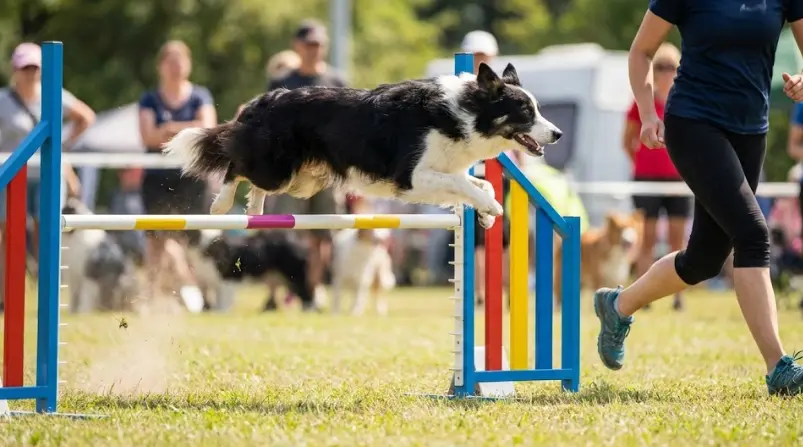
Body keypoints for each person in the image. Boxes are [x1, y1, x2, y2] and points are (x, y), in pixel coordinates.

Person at [594, 0, 803, 396]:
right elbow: (642, 50)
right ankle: (779, 367)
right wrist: (647, 112)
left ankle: (618, 306)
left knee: (704, 259)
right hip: (694, 123)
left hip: (751, 129)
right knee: (752, 234)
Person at [0, 42, 95, 302]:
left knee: (48, 233)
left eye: (34, 67)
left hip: (48, 175)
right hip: (12, 176)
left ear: (42, 70)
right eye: (25, 67)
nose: (30, 73)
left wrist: (61, 147)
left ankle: (48, 293)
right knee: (10, 235)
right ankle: (6, 295)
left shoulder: (55, 96)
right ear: (15, 70)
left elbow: (86, 116)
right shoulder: (3, 101)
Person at [264, 19, 347, 312]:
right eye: (309, 44)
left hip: (327, 171)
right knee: (280, 235)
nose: (314, 50)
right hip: (291, 172)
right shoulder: (281, 83)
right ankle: (276, 297)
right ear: (297, 46)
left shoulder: (338, 82)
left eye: (318, 44)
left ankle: (312, 295)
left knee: (321, 235)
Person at [137, 40, 217, 310]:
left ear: (189, 65)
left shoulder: (199, 95)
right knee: (157, 242)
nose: (175, 68)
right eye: (170, 62)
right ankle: (154, 296)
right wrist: (187, 130)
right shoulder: (149, 98)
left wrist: (170, 128)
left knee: (190, 242)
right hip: (157, 178)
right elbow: (149, 137)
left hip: (192, 177)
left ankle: (192, 294)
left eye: (180, 61)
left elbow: (208, 129)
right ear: (160, 66)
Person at [622, 42, 689, 312]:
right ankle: (643, 295)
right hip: (646, 178)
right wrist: (640, 164)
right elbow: (626, 141)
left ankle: (678, 296)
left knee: (677, 239)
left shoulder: (684, 101)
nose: (665, 72)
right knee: (646, 238)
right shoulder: (641, 103)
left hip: (678, 179)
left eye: (671, 67)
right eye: (659, 67)